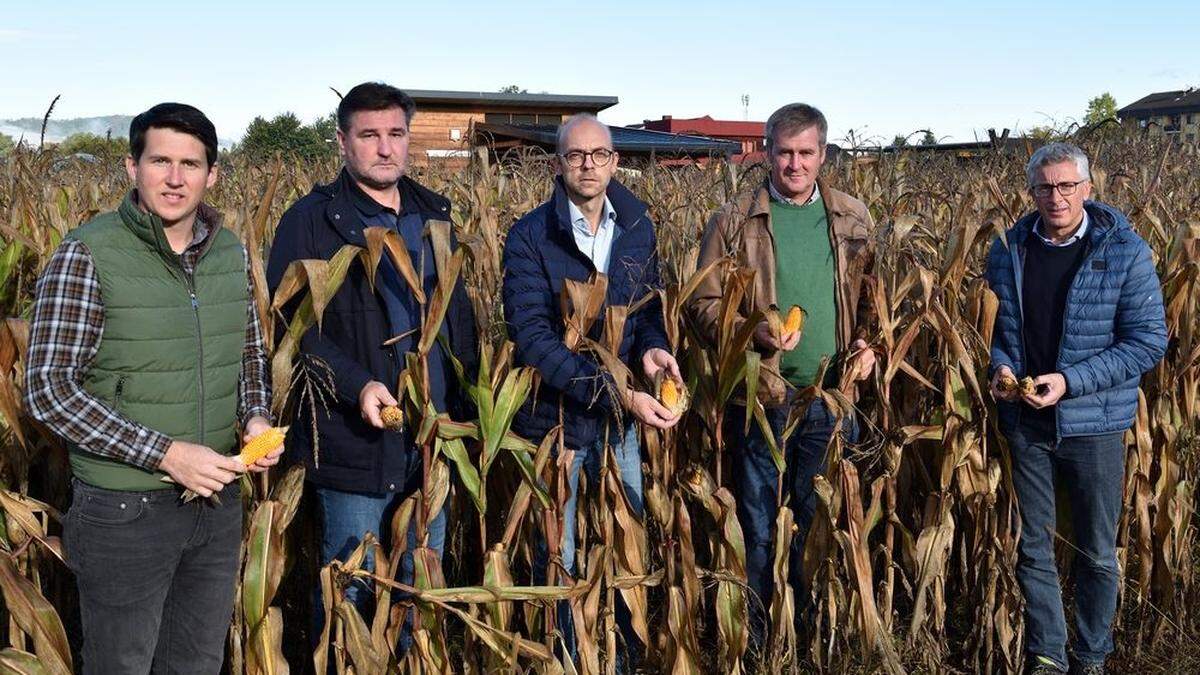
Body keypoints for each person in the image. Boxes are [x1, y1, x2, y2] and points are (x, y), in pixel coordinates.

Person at [24, 102, 281, 674]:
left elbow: (249, 354)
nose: (174, 177)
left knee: (195, 662)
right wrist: (166, 453)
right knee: (123, 665)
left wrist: (257, 417)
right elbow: (47, 388)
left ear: (212, 174)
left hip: (214, 504)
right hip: (125, 509)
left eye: (190, 163)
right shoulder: (87, 253)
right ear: (131, 167)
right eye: (159, 160)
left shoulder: (229, 251)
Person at [265, 82, 477, 642]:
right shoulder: (309, 222)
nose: (385, 149)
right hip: (354, 444)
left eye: (396, 134)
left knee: (421, 587)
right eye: (369, 135)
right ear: (342, 141)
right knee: (351, 591)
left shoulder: (435, 215)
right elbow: (292, 330)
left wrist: (467, 405)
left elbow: (458, 321)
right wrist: (357, 386)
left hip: (430, 443)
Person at [689, 102, 877, 645]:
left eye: (806, 153)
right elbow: (702, 305)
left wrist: (868, 343)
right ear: (766, 153)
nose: (794, 164)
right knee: (758, 522)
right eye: (784, 152)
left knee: (817, 519)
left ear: (823, 154)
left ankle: (813, 631)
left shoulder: (851, 217)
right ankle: (756, 635)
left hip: (828, 394)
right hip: (761, 393)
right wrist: (754, 331)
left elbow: (870, 298)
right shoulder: (733, 219)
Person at [501, 113, 681, 665]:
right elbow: (533, 339)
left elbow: (646, 313)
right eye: (576, 156)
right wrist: (618, 393)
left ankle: (620, 655)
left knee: (624, 543)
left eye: (599, 155)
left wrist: (653, 354)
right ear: (558, 163)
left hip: (622, 425)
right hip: (556, 424)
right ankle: (565, 656)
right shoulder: (531, 235)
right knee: (561, 552)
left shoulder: (637, 227)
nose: (588, 165)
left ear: (615, 161)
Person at [985, 142, 1167, 675]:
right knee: (1033, 548)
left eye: (1067, 185)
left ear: (1088, 188)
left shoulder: (1124, 250)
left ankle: (1090, 656)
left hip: (1093, 427)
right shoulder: (1009, 248)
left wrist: (1070, 381)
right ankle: (1049, 655)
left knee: (1094, 550)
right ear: (1031, 191)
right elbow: (999, 330)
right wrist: (1001, 369)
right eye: (1045, 186)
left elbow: (1148, 341)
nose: (1056, 197)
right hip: (1026, 423)